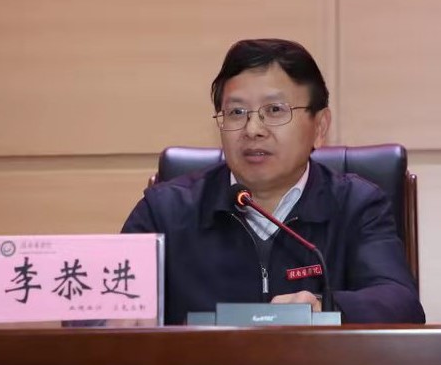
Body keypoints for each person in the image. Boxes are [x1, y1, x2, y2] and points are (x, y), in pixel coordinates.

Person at [122, 38, 425, 325]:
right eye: (236, 112)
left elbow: (401, 303)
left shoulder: (356, 205)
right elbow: (108, 302)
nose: (253, 129)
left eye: (275, 110)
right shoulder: (164, 211)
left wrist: (326, 308)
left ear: (320, 127)